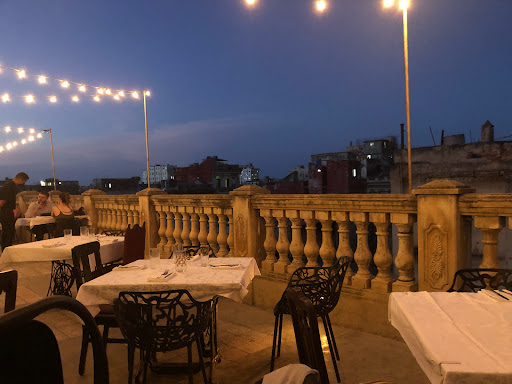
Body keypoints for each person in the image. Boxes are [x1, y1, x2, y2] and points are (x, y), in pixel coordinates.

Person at [0, 172, 29, 250]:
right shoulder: (9, 187)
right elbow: (2, 201)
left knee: (9, 232)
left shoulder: (10, 186)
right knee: (8, 233)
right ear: (21, 179)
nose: (23, 183)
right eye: (24, 181)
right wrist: (12, 211)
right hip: (6, 213)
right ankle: (6, 250)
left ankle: (7, 249)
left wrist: (15, 208)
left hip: (8, 212)